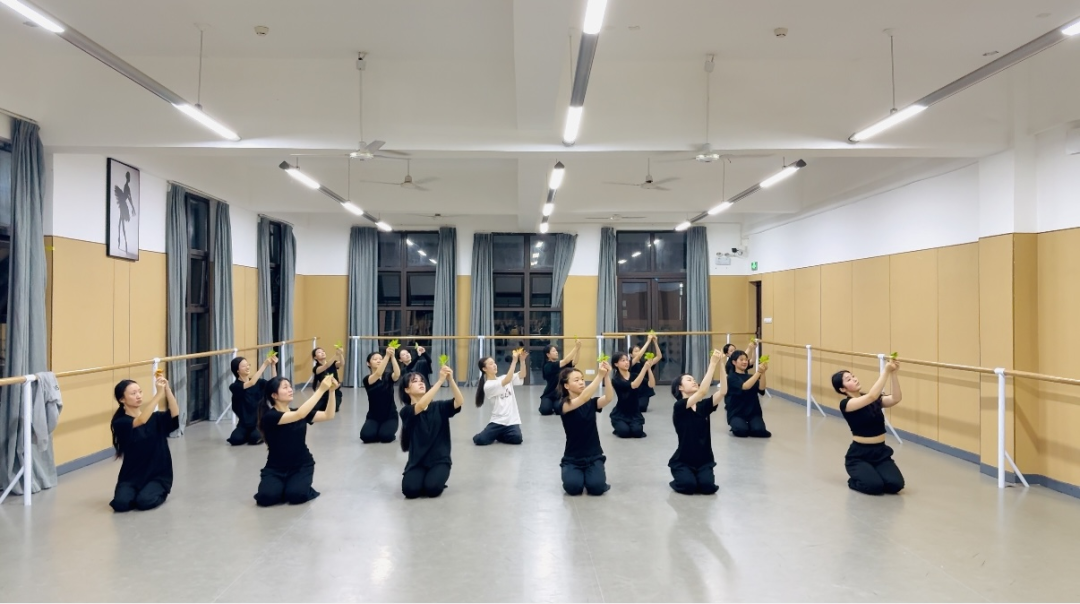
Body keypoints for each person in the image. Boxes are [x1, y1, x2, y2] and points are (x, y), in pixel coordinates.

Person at [254, 374, 339, 507]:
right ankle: (284, 486)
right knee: (266, 498)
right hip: (275, 468)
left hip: (301, 465)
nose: (290, 390)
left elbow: (329, 415)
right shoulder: (270, 416)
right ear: (274, 395)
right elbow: (299, 415)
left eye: (290, 386)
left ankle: (292, 486)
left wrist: (332, 391)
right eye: (285, 387)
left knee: (296, 496)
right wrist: (321, 390)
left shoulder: (299, 412)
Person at [832, 360, 905, 495]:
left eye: (853, 376)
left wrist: (893, 374)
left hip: (880, 452)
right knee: (874, 487)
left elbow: (896, 398)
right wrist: (886, 371)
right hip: (859, 455)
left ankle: (873, 472)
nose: (854, 379)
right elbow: (871, 396)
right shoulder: (846, 404)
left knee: (896, 485)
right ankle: (855, 479)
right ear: (842, 389)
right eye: (849, 379)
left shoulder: (873, 399)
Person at [109, 374, 180, 512]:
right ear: (122, 399)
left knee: (144, 502)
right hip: (131, 475)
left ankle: (157, 490)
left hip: (157, 474)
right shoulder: (120, 422)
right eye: (133, 393)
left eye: (140, 392)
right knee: (120, 504)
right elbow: (141, 421)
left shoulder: (156, 418)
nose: (138, 396)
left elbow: (174, 414)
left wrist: (167, 390)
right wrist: (158, 395)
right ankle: (137, 492)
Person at [399, 366, 465, 498]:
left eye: (422, 381)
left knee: (432, 489)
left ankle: (434, 478)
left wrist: (451, 380)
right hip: (417, 462)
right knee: (410, 491)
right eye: (415, 381)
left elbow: (459, 401)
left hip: (439, 460)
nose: (421, 383)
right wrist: (440, 381)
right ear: (407, 390)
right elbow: (421, 406)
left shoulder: (439, 407)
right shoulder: (406, 411)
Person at [669, 350, 726, 495]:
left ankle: (699, 475)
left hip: (704, 460)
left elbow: (723, 391)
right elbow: (702, 392)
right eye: (689, 380)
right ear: (680, 387)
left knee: (708, 488)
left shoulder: (703, 406)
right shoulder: (680, 406)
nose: (694, 381)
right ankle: (681, 475)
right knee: (688, 486)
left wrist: (721, 365)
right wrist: (712, 364)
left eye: (694, 379)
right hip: (683, 460)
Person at [554, 362, 615, 496]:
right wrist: (599, 376)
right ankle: (571, 471)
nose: (582, 382)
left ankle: (594, 472)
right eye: (576, 380)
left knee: (597, 488)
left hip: (594, 456)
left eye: (582, 379)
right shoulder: (563, 405)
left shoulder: (591, 403)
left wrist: (606, 376)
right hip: (572, 458)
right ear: (566, 385)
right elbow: (583, 398)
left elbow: (608, 398)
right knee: (573, 488)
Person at [473, 350, 527, 446]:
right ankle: (492, 434)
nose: (494, 365)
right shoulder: (488, 385)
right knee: (480, 440)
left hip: (511, 421)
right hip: (498, 421)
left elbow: (522, 375)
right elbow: (507, 380)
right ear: (484, 369)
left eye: (494, 363)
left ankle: (498, 435)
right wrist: (514, 361)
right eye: (491, 364)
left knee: (517, 439)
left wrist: (522, 361)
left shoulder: (503, 378)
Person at [609, 348, 661, 438]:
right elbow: (634, 385)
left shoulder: (634, 375)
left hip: (634, 412)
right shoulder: (616, 379)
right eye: (623, 360)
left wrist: (649, 369)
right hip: (621, 412)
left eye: (627, 360)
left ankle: (630, 426)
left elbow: (651, 384)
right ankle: (618, 425)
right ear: (616, 364)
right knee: (624, 432)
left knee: (637, 432)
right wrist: (644, 368)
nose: (626, 362)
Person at [227, 353, 276, 446]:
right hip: (244, 423)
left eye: (248, 365)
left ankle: (262, 431)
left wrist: (273, 366)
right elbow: (251, 383)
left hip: (258, 422)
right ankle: (248, 434)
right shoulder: (235, 386)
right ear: (237, 370)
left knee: (254, 438)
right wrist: (265, 364)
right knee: (235, 439)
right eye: (244, 366)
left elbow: (274, 384)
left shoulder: (259, 382)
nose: (247, 367)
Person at [725, 350, 771, 438]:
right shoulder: (731, 377)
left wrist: (763, 373)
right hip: (736, 413)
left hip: (753, 412)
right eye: (741, 360)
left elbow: (761, 389)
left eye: (746, 360)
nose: (745, 362)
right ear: (734, 362)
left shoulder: (751, 377)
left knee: (759, 431)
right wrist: (758, 372)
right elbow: (745, 386)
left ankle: (751, 425)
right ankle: (741, 425)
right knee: (741, 430)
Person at [361, 346, 401, 444]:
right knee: (366, 437)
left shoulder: (388, 376)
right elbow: (378, 374)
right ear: (368, 363)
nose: (378, 360)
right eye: (375, 359)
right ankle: (376, 429)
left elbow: (397, 374)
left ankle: (384, 430)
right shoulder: (367, 379)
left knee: (386, 437)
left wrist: (392, 357)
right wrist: (386, 356)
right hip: (373, 416)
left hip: (390, 416)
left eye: (380, 359)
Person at [539, 340, 581, 416]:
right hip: (549, 394)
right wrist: (575, 347)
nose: (556, 352)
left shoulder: (560, 364)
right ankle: (550, 404)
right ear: (548, 354)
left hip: (560, 394)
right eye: (554, 351)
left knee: (560, 410)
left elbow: (575, 362)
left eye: (556, 351)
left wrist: (578, 349)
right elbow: (565, 361)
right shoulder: (547, 366)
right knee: (545, 410)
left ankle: (555, 405)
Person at [630, 334, 661, 412]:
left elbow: (659, 356)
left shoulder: (645, 363)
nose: (638, 352)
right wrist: (648, 341)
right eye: (636, 351)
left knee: (642, 407)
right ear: (631, 354)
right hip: (633, 390)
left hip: (644, 390)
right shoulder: (630, 363)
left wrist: (655, 342)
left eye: (639, 350)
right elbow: (639, 356)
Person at [312, 345, 345, 412]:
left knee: (334, 408)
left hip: (335, 392)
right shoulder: (316, 368)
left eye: (323, 351)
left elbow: (342, 363)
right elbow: (326, 366)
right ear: (315, 357)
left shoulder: (333, 363)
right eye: (319, 352)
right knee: (315, 408)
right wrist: (335, 355)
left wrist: (340, 354)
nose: (322, 353)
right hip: (324, 393)